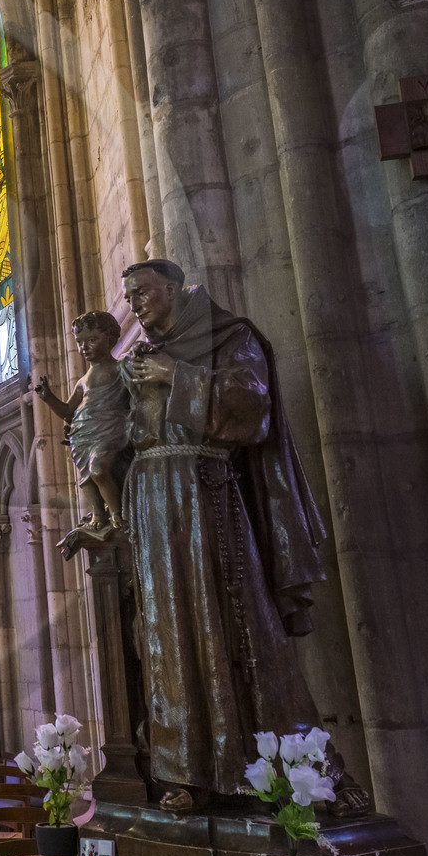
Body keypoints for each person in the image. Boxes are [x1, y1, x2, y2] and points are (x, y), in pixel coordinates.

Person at [117, 259, 330, 812]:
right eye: (131, 296)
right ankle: (183, 770)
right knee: (165, 638)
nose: (136, 305)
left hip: (204, 491)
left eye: (143, 293)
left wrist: (175, 375)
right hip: (152, 501)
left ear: (175, 290)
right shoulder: (139, 355)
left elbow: (250, 406)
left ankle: (274, 771)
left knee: (227, 621)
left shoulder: (228, 337)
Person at [35, 310, 132, 536]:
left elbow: (135, 399)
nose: (84, 348)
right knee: (86, 481)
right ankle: (99, 514)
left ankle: (118, 514)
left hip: (110, 430)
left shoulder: (121, 368)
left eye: (92, 340)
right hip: (82, 435)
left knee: (97, 470)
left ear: (109, 338)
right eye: (79, 343)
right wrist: (48, 397)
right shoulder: (83, 380)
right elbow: (68, 411)